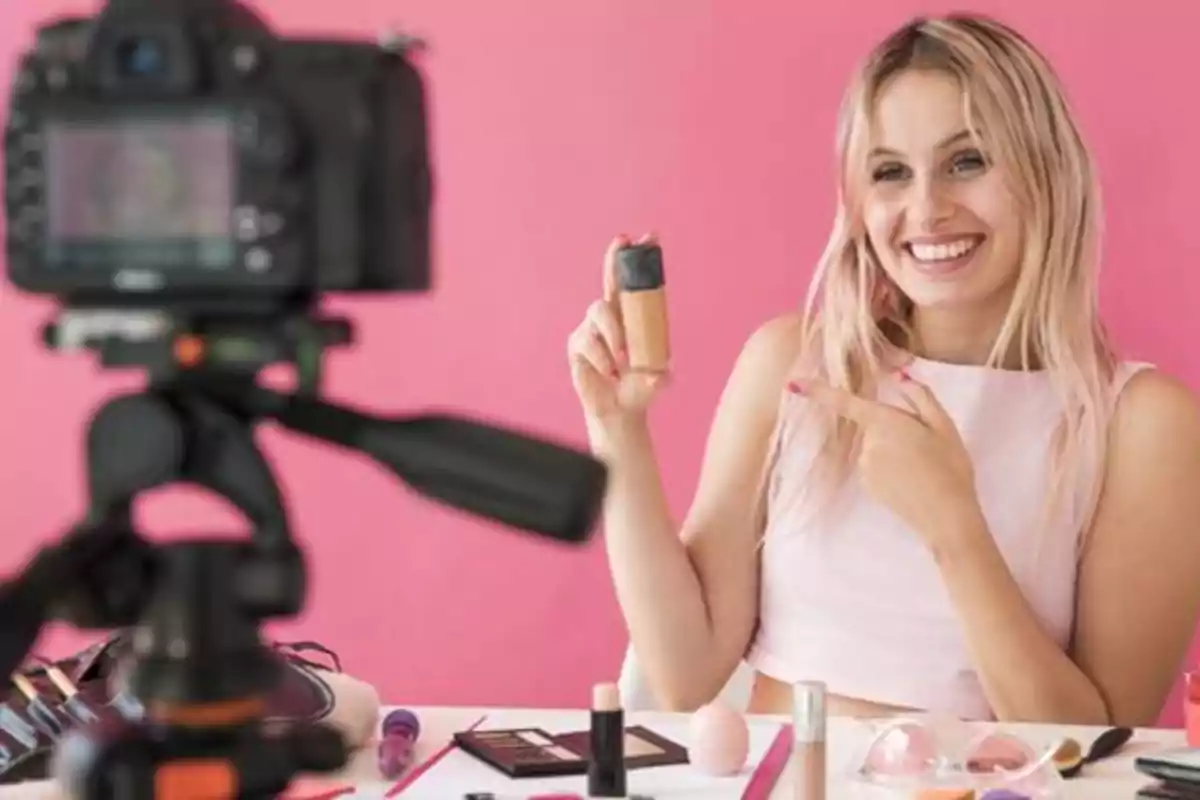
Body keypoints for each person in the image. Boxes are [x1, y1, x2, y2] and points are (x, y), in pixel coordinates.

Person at [566, 12, 1200, 726]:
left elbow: (1092, 752)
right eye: (891, 172)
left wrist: (953, 527)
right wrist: (617, 430)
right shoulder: (792, 366)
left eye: (969, 160)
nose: (926, 210)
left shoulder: (1143, 426)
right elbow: (684, 674)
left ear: (1047, 173)